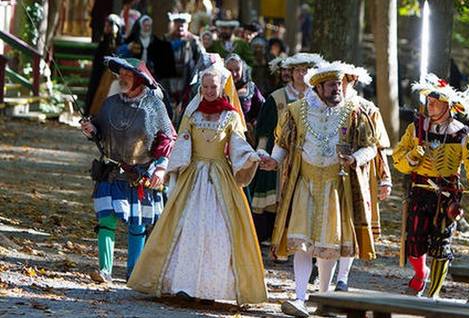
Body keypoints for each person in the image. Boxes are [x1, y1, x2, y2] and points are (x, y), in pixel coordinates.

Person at [127, 60, 267, 305]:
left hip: (220, 179)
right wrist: (172, 168)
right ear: (200, 87)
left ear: (222, 88)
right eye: (205, 87)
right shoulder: (193, 112)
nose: (209, 91)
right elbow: (182, 142)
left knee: (217, 232)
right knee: (186, 228)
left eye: (213, 87)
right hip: (193, 175)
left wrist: (253, 157)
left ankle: (212, 288)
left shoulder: (231, 116)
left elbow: (237, 146)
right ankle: (183, 284)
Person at [260, 62, 377, 317]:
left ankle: (324, 299)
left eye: (339, 84)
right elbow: (283, 143)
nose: (337, 89)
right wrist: (273, 160)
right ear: (319, 87)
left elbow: (371, 147)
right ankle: (300, 297)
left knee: (328, 245)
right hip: (305, 183)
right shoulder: (296, 111)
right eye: (332, 85)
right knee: (302, 244)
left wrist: (355, 158)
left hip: (336, 186)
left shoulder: (356, 111)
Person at [392, 73, 469, 298]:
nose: (430, 106)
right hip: (419, 192)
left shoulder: (462, 134)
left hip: (447, 197)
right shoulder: (416, 129)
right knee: (414, 242)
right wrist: (412, 157)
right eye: (428, 102)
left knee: (442, 244)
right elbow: (398, 160)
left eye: (435, 102)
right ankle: (420, 274)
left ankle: (434, 294)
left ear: (447, 106)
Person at [80, 57, 176, 283]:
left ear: (139, 80)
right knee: (107, 218)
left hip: (140, 174)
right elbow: (100, 131)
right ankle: (105, 270)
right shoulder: (111, 103)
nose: (122, 79)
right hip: (111, 171)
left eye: (127, 75)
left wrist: (161, 168)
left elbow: (167, 138)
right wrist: (91, 129)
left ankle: (134, 272)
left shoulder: (154, 107)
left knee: (138, 222)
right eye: (121, 74)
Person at [250, 53, 321, 247]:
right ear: (291, 72)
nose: (301, 74)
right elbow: (265, 130)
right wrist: (262, 152)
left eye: (306, 70)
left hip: (310, 156)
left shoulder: (318, 99)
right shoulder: (277, 97)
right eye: (298, 70)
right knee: (276, 197)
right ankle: (274, 237)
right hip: (279, 155)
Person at [333, 63, 393, 292]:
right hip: (327, 175)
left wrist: (385, 179)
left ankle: (343, 277)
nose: (338, 87)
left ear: (352, 82)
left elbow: (379, 148)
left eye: (343, 82)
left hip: (358, 175)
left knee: (350, 224)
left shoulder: (368, 109)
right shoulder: (322, 108)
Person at [163, 13, 204, 110]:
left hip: (187, 78)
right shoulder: (166, 39)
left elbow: (202, 60)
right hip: (169, 79)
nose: (180, 26)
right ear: (173, 24)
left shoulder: (194, 40)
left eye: (183, 24)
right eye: (177, 23)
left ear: (187, 25)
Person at [118, 15, 176, 81]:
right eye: (145, 25)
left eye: (149, 26)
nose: (147, 28)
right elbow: (120, 52)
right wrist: (127, 48)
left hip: (150, 72)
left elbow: (164, 48)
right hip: (134, 71)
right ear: (140, 25)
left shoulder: (153, 39)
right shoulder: (133, 38)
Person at [86, 14, 124, 115]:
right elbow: (98, 61)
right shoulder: (103, 43)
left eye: (109, 25)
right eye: (106, 25)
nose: (106, 28)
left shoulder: (120, 43)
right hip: (102, 74)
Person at [224, 54, 265, 142]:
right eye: (230, 70)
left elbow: (263, 108)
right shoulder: (218, 89)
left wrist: (255, 122)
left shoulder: (250, 88)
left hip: (246, 136)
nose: (234, 74)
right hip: (223, 135)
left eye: (237, 70)